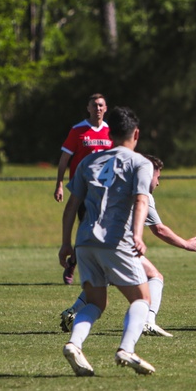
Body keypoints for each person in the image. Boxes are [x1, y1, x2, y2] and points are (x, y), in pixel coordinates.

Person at [58, 106, 157, 376]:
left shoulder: (89, 162)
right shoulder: (140, 163)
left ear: (109, 133)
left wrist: (66, 243)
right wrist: (137, 235)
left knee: (95, 303)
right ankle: (126, 349)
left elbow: (71, 206)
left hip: (86, 241)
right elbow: (140, 200)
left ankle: (74, 345)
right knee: (142, 299)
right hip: (116, 241)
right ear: (136, 134)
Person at [59, 155, 196, 337]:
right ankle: (147, 323)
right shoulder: (142, 195)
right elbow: (159, 229)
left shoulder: (114, 186)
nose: (158, 183)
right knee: (154, 277)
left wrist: (67, 242)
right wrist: (186, 244)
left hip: (89, 240)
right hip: (117, 245)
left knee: (101, 283)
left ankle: (72, 314)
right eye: (157, 177)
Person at [54, 93, 113, 285]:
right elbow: (65, 159)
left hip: (104, 190)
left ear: (105, 108)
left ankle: (81, 264)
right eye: (94, 105)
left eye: (101, 105)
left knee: (102, 230)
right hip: (83, 189)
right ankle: (77, 264)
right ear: (88, 108)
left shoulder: (110, 132)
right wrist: (60, 184)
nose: (97, 109)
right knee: (88, 227)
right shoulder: (78, 130)